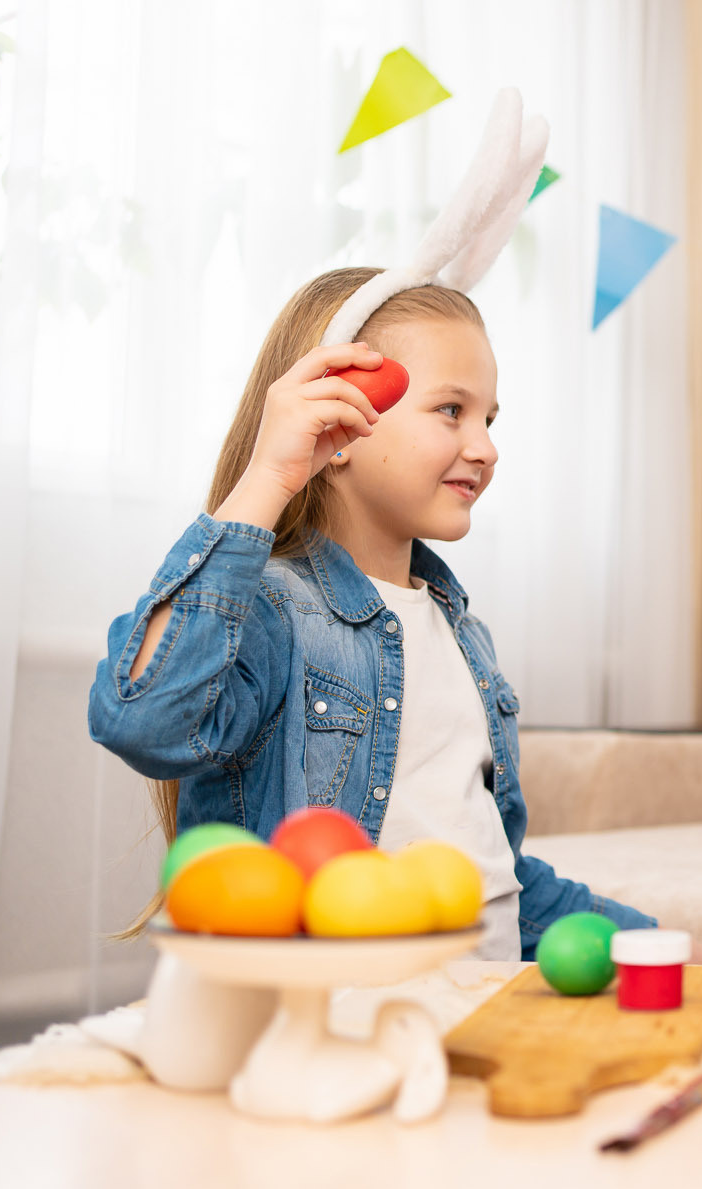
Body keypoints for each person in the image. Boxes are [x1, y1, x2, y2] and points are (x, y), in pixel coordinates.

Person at [89, 95, 660, 961]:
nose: (484, 446)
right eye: (451, 410)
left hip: (473, 1007)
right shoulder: (273, 610)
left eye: (490, 418)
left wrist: (659, 943)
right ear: (343, 421)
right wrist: (268, 477)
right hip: (342, 1012)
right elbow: (146, 720)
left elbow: (496, 874)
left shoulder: (462, 635)